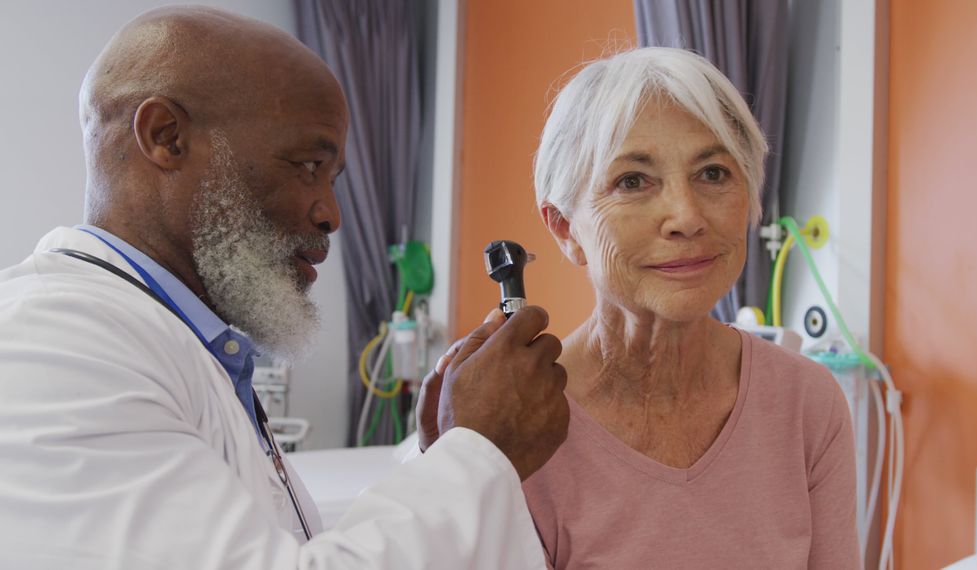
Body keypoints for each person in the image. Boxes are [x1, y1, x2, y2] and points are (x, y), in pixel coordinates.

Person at [0, 6, 567, 569]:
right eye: (307, 165)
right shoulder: (54, 343)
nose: (332, 215)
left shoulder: (178, 344)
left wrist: (442, 453)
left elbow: (292, 553)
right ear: (165, 136)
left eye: (334, 177)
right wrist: (480, 448)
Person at [522, 47, 860, 569]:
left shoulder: (806, 406)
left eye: (713, 173)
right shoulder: (518, 426)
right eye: (632, 181)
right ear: (565, 228)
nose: (686, 216)